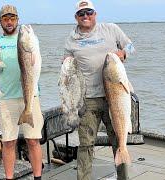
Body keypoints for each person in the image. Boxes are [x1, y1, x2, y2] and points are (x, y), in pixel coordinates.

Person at [63, 0, 135, 180]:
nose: (85, 16)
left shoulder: (111, 29)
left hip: (115, 98)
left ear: (95, 14)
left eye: (89, 12)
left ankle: (123, 177)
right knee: (85, 145)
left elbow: (131, 47)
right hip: (87, 99)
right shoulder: (71, 39)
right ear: (76, 17)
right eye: (81, 14)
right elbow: (67, 65)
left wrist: (122, 54)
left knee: (118, 140)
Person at [0, 5, 43, 180]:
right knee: (8, 142)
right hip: (6, 98)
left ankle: (38, 177)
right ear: (0, 21)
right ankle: (9, 177)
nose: (9, 22)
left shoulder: (29, 39)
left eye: (12, 18)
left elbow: (36, 63)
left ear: (17, 20)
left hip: (30, 97)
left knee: (33, 140)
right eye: (5, 19)